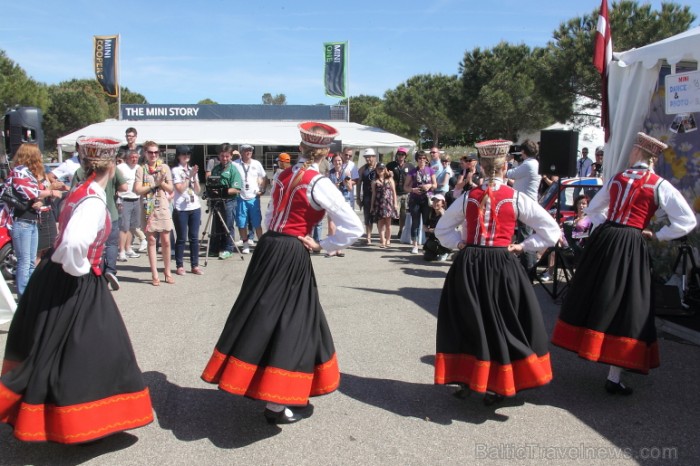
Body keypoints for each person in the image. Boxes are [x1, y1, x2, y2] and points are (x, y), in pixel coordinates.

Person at [201, 121, 363, 425]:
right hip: (291, 252)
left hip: (269, 247)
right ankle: (276, 402)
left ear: (302, 147)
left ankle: (253, 381)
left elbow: (270, 213)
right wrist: (323, 244)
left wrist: (275, 237)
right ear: (326, 151)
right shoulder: (319, 182)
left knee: (259, 315)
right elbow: (355, 226)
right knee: (290, 323)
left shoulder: (283, 175)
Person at [0, 136, 153, 444]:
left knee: (59, 349)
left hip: (58, 276)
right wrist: (84, 271)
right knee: (99, 350)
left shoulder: (78, 192)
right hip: (76, 279)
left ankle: (66, 418)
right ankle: (81, 420)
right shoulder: (94, 201)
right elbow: (71, 244)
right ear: (111, 165)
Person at [551, 132, 696, 395]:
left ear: (639, 153)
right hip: (631, 242)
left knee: (599, 296)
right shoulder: (658, 184)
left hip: (607, 240)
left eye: (633, 150)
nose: (630, 153)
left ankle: (600, 355)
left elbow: (594, 209)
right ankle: (614, 374)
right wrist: (658, 234)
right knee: (628, 303)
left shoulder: (617, 179)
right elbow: (686, 221)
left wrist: (610, 223)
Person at [434, 139, 560, 405]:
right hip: (502, 265)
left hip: (468, 266)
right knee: (502, 324)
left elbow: (442, 229)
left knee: (469, 322)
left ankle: (469, 380)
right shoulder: (515, 197)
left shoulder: (468, 196)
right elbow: (551, 231)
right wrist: (522, 245)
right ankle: (498, 385)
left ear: (481, 166)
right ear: (505, 168)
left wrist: (460, 243)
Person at [5, 144, 61, 298]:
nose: (40, 157)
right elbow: (29, 192)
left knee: (30, 262)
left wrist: (40, 200)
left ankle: (30, 294)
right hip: (21, 221)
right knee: (24, 261)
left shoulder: (28, 172)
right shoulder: (19, 171)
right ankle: (24, 295)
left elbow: (35, 195)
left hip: (31, 220)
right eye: (38, 154)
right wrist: (49, 192)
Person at [73, 151, 128, 291]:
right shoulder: (111, 168)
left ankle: (95, 274)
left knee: (94, 247)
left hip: (91, 213)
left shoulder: (80, 171)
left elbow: (73, 191)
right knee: (111, 245)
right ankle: (110, 270)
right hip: (109, 213)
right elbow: (124, 187)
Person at [133, 141, 175, 286]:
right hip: (147, 208)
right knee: (151, 241)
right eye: (150, 152)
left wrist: (160, 183)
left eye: (156, 152)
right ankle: (154, 274)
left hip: (162, 205)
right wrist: (154, 184)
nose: (153, 155)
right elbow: (137, 190)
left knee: (166, 240)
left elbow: (170, 189)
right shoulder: (141, 170)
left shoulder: (164, 168)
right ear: (145, 153)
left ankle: (167, 271)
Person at [506, 139, 540, 276]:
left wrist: (507, 162)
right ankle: (527, 272)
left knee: (525, 240)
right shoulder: (532, 163)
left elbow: (509, 174)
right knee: (524, 238)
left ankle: (528, 273)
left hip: (526, 206)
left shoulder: (528, 165)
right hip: (526, 204)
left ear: (523, 151)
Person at [171, 145, 203, 276]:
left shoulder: (191, 169)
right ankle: (179, 265)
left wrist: (194, 177)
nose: (186, 157)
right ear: (178, 156)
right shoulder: (175, 171)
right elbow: (179, 189)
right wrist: (189, 176)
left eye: (188, 154)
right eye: (184, 154)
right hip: (181, 208)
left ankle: (195, 265)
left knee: (194, 238)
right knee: (182, 238)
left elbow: (198, 190)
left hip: (194, 206)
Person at [210, 144, 243, 259]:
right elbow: (211, 183)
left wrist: (223, 191)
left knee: (228, 226)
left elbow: (237, 189)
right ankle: (214, 249)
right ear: (219, 156)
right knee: (216, 226)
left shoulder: (234, 170)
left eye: (227, 156)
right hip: (216, 202)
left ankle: (228, 248)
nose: (224, 158)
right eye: (222, 156)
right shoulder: (216, 168)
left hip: (229, 202)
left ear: (230, 156)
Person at [234, 144, 266, 254]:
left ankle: (261, 244)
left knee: (257, 222)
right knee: (241, 222)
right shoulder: (235, 164)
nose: (248, 152)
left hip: (253, 197)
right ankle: (245, 244)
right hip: (241, 197)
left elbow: (264, 176)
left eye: (250, 151)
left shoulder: (256, 164)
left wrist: (262, 189)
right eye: (246, 150)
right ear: (241, 152)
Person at [404, 150, 437, 254]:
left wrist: (429, 185)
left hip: (427, 199)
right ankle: (415, 244)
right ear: (417, 160)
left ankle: (427, 244)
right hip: (415, 199)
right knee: (415, 222)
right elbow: (405, 187)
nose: (422, 160)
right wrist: (413, 189)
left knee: (427, 222)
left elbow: (435, 185)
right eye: (420, 158)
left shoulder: (430, 170)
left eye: (424, 158)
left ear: (426, 159)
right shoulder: (412, 171)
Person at [326, 152, 355, 257]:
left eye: (339, 160)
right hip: (332, 201)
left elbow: (350, 189)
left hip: (343, 200)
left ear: (342, 162)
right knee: (331, 225)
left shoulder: (346, 172)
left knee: (341, 226)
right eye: (335, 161)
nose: (337, 162)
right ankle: (332, 248)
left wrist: (347, 183)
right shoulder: (330, 173)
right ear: (332, 162)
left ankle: (339, 249)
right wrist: (334, 186)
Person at [117, 149, 144, 262]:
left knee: (133, 227)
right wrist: (118, 200)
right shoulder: (121, 168)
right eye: (132, 157)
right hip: (124, 199)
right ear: (127, 158)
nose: (134, 159)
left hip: (136, 199)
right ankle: (121, 251)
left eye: (136, 157)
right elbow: (116, 184)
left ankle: (128, 248)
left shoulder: (139, 168)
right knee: (124, 227)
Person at [386, 147, 414, 238]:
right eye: (399, 154)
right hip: (394, 192)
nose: (400, 156)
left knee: (403, 213)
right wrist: (389, 175)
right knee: (391, 212)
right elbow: (383, 175)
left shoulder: (410, 166)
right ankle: (388, 231)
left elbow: (414, 178)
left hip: (406, 193)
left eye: (402, 154)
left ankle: (401, 230)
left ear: (405, 156)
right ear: (396, 155)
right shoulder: (391, 165)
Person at [370, 162, 398, 248]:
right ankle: (382, 241)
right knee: (380, 224)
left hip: (388, 203)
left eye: (382, 169)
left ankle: (388, 239)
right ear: (376, 170)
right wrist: (372, 206)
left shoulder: (390, 179)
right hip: (379, 204)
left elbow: (394, 192)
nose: (381, 170)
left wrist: (395, 203)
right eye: (379, 169)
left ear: (385, 169)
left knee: (388, 224)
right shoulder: (375, 181)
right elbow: (373, 194)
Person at [356, 148, 379, 244]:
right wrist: (358, 197)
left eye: (369, 157)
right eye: (366, 157)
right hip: (367, 196)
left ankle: (381, 237)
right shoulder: (362, 169)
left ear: (374, 157)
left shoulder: (380, 167)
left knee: (379, 216)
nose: (368, 159)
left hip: (378, 195)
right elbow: (358, 183)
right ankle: (368, 237)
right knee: (367, 216)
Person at [423, 193, 450, 262]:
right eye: (434, 201)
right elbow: (424, 226)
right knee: (427, 257)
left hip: (443, 239)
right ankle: (437, 253)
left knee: (432, 244)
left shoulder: (446, 214)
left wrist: (436, 230)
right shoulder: (431, 213)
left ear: (443, 204)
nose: (435, 203)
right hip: (433, 238)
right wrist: (428, 229)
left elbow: (449, 227)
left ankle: (445, 252)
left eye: (437, 201)